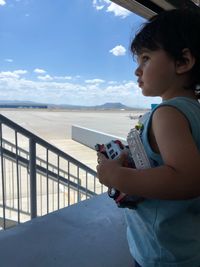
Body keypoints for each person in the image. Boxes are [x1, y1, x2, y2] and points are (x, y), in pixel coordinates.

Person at [96, 8, 200, 267]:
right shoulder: (193, 111)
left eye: (145, 58)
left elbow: (187, 179)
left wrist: (115, 176)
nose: (137, 71)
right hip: (187, 242)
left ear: (182, 62)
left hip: (164, 254)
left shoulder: (167, 114)